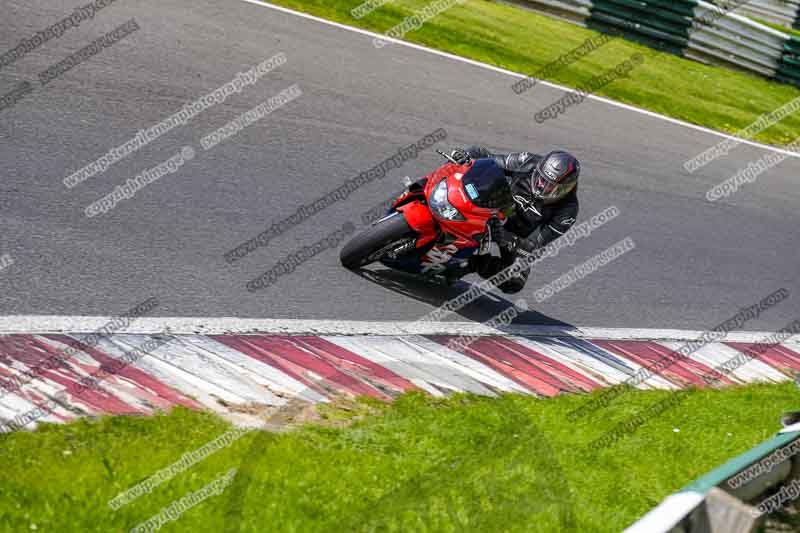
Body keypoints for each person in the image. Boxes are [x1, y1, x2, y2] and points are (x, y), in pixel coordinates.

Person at [450, 146, 581, 294]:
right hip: (496, 206)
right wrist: (467, 156)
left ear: (566, 189)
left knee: (514, 281)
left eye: (550, 186)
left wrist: (506, 238)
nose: (541, 187)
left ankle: (472, 263)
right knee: (472, 160)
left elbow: (534, 243)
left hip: (516, 236)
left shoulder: (567, 212)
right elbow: (491, 160)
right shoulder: (527, 161)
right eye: (541, 179)